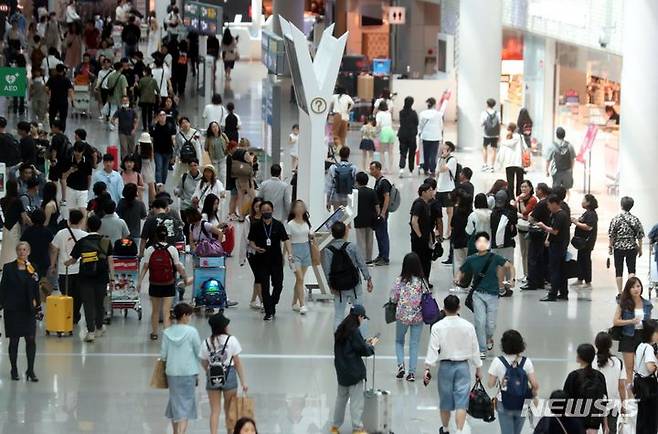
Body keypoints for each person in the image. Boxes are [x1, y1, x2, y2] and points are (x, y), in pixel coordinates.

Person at [423, 295, 482, 434]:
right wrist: (478, 368)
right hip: (463, 367)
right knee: (462, 402)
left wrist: (427, 368)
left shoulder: (438, 327)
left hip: (445, 367)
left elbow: (433, 349)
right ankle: (460, 431)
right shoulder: (468, 326)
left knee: (445, 401)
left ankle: (445, 429)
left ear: (443, 309)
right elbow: (475, 348)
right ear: (459, 307)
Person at [455, 232, 514, 358]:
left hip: (493, 294)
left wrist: (512, 279)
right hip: (478, 294)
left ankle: (489, 338)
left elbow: (509, 266)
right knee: (480, 321)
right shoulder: (471, 259)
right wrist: (457, 278)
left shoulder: (495, 257)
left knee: (490, 325)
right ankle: (482, 349)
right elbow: (462, 270)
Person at [330, 304, 377, 434]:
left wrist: (363, 342)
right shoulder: (354, 331)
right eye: (363, 318)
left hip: (342, 371)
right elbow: (362, 349)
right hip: (354, 372)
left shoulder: (341, 328)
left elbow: (352, 346)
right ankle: (357, 428)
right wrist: (371, 347)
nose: (362, 321)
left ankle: (335, 426)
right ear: (359, 316)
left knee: (340, 400)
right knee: (356, 402)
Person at [66, 215, 114, 342]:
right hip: (102, 277)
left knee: (88, 304)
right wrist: (112, 278)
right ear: (99, 227)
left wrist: (67, 263)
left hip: (85, 278)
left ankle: (91, 331)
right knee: (99, 304)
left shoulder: (82, 242)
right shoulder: (106, 241)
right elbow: (110, 261)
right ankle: (99, 327)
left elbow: (74, 259)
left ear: (87, 226)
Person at [200, 313, 248, 434]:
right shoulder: (231, 340)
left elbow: (204, 362)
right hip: (229, 375)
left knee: (215, 411)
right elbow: (237, 362)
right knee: (229, 410)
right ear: (224, 327)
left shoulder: (206, 342)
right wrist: (243, 382)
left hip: (213, 376)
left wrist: (208, 372)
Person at [139, 225, 189, 340]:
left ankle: (154, 333)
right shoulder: (172, 249)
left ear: (156, 235)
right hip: (168, 283)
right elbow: (178, 266)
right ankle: (167, 334)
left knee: (155, 311)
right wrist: (185, 277)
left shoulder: (150, 249)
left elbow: (145, 267)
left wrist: (139, 281)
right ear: (167, 235)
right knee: (166, 312)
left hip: (154, 284)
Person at [0, 242, 41, 382]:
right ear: (16, 251)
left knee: (31, 339)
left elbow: (36, 289)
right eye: (19, 249)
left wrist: (38, 307)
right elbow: (3, 288)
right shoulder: (8, 268)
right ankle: (14, 369)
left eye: (24, 250)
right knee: (14, 340)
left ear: (28, 251)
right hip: (13, 309)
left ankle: (30, 370)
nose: (22, 252)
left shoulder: (33, 268)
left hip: (28, 309)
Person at [247, 201, 293, 321]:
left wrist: (289, 253)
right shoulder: (256, 225)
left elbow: (286, 239)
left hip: (276, 260)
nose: (266, 212)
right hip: (261, 260)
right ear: (260, 211)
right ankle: (269, 311)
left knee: (278, 285)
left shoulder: (278, 225)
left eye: (268, 209)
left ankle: (273, 302)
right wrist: (256, 248)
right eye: (264, 210)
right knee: (265, 286)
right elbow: (251, 241)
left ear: (272, 210)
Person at [486, 330, 539, 434]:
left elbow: (490, 384)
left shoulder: (498, 361)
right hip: (522, 404)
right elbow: (535, 385)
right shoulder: (526, 362)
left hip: (504, 403)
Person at [322, 222, 373, 330]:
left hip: (338, 287)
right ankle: (361, 340)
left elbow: (327, 271)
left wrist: (331, 286)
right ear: (345, 232)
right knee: (360, 314)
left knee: (338, 315)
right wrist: (368, 279)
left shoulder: (327, 250)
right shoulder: (352, 247)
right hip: (354, 285)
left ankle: (339, 340)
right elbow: (361, 263)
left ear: (332, 233)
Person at [160, 303, 201, 434]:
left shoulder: (167, 332)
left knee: (175, 402)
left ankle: (176, 431)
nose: (190, 318)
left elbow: (163, 355)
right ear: (184, 316)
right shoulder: (192, 332)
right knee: (186, 404)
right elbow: (198, 352)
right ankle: (182, 432)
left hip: (172, 372)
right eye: (189, 315)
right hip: (189, 372)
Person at [390, 253, 425, 382]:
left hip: (402, 316)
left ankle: (400, 366)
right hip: (417, 316)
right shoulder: (422, 282)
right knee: (414, 344)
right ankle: (411, 373)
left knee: (399, 341)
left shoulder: (399, 280)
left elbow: (394, 298)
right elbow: (426, 297)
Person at [49, 209, 87, 324]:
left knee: (66, 294)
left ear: (69, 220)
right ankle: (75, 315)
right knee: (78, 295)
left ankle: (68, 315)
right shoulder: (85, 235)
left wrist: (52, 266)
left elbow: (54, 250)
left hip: (64, 270)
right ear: (81, 221)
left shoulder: (61, 233)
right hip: (80, 270)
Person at [612, 277, 653, 382]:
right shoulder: (623, 304)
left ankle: (642, 393)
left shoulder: (647, 304)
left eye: (638, 286)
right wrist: (630, 321)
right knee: (629, 370)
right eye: (633, 287)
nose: (636, 289)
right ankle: (630, 396)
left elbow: (650, 323)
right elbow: (615, 321)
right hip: (628, 337)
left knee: (644, 368)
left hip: (643, 337)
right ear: (628, 289)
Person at [563, 343, 608, 433]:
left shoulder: (573, 376)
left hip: (576, 422)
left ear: (579, 357)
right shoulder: (599, 376)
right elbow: (603, 401)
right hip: (594, 422)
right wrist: (605, 425)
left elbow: (565, 402)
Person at [536, 195, 570, 301]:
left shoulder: (560, 215)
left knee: (555, 270)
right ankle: (563, 293)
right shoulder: (556, 215)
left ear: (555, 203)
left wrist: (543, 226)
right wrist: (548, 239)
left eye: (549, 204)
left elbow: (555, 231)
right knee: (561, 270)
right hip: (558, 245)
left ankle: (553, 293)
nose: (548, 207)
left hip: (558, 246)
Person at [609, 196, 645, 294]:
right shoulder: (635, 219)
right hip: (632, 247)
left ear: (621, 206)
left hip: (618, 248)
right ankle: (630, 292)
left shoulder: (616, 219)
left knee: (619, 270)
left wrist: (610, 246)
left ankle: (620, 293)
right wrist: (640, 249)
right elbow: (640, 235)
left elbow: (612, 235)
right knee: (631, 270)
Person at [593, 331, 626, 434]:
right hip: (613, 404)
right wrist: (623, 404)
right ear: (610, 344)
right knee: (611, 430)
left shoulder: (592, 360)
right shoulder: (618, 362)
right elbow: (621, 386)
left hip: (594, 404)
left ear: (596, 344)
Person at [286, 200, 313, 315]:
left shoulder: (307, 222)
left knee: (299, 280)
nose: (300, 209)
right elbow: (287, 240)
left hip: (306, 250)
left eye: (302, 206)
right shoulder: (290, 224)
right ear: (293, 209)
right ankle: (302, 304)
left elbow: (309, 236)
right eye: (297, 207)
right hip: (295, 251)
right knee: (300, 278)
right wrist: (289, 254)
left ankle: (294, 302)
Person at [571, 194, 598, 297]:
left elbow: (588, 227)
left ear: (588, 203)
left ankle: (588, 282)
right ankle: (580, 279)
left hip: (587, 242)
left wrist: (576, 223)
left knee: (586, 260)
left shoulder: (592, 214)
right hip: (581, 242)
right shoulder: (586, 213)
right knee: (580, 259)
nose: (582, 202)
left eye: (584, 200)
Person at [634, 319, 658, 434]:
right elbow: (650, 367)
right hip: (649, 385)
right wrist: (656, 365)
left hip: (639, 383)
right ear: (651, 333)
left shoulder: (640, 346)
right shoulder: (649, 348)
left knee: (642, 414)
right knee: (651, 415)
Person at [0, 180, 31, 268]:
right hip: (15, 227)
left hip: (6, 227)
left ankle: (4, 265)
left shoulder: (2, 200)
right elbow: (24, 217)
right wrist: (33, 224)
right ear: (15, 188)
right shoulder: (18, 201)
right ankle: (14, 266)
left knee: (6, 247)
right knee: (15, 247)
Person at [490, 190, 517, 289]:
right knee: (508, 265)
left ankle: (499, 286)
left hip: (495, 244)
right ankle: (508, 285)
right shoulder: (511, 212)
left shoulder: (493, 212)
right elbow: (514, 227)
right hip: (508, 243)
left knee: (497, 266)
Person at [20, 210, 54, 286]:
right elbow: (52, 247)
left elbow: (22, 244)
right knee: (42, 282)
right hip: (44, 260)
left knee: (31, 281)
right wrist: (52, 263)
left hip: (31, 260)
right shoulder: (47, 231)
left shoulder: (28, 231)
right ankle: (41, 296)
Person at [241, 198, 263, 310]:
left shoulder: (267, 219)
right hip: (252, 252)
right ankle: (263, 301)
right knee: (259, 276)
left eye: (260, 206)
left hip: (264, 252)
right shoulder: (248, 219)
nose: (258, 209)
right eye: (256, 206)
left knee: (259, 276)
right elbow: (246, 236)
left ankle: (254, 300)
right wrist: (255, 246)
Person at [60, 141, 93, 216]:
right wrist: (70, 171)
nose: (77, 153)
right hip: (71, 188)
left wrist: (87, 190)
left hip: (83, 190)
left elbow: (89, 177)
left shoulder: (87, 162)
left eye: (79, 151)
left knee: (83, 211)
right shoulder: (68, 160)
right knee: (71, 211)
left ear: (83, 151)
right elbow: (63, 176)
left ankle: (82, 227)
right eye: (76, 151)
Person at [410, 183, 434, 281]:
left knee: (426, 261)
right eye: (430, 190)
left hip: (425, 237)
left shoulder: (426, 204)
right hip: (419, 240)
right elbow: (414, 221)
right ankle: (420, 281)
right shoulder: (419, 204)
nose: (432, 192)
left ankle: (425, 281)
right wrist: (420, 236)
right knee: (421, 261)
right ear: (423, 192)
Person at [369, 161, 391, 266]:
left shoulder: (384, 182)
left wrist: (383, 213)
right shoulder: (377, 182)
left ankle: (385, 257)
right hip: (377, 212)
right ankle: (381, 254)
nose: (371, 171)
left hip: (382, 212)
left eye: (373, 169)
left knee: (382, 234)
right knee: (378, 234)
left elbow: (387, 197)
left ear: (378, 169)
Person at [353, 172, 378, 264]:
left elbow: (352, 206)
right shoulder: (372, 191)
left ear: (357, 181)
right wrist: (377, 216)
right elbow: (377, 206)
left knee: (360, 240)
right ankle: (369, 258)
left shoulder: (355, 192)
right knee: (369, 239)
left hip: (358, 219)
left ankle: (361, 258)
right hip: (370, 219)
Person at [515, 180, 537, 282]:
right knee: (523, 252)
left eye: (525, 187)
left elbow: (525, 212)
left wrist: (521, 201)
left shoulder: (533, 200)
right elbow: (514, 209)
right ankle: (525, 273)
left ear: (530, 188)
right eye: (522, 187)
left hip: (529, 228)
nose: (523, 189)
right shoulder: (519, 198)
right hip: (521, 227)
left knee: (528, 252)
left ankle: (529, 274)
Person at [418, 97, 447, 176]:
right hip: (435, 136)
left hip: (425, 136)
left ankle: (425, 169)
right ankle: (433, 170)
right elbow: (441, 126)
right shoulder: (438, 114)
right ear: (434, 104)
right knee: (433, 154)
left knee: (426, 153)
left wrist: (420, 132)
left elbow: (420, 125)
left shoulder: (422, 113)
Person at [436, 141, 458, 238]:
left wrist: (443, 158)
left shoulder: (452, 160)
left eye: (445, 148)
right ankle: (438, 231)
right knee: (437, 211)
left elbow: (443, 169)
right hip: (440, 188)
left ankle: (448, 232)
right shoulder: (440, 159)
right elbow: (437, 171)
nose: (442, 149)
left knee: (450, 211)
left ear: (449, 150)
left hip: (449, 188)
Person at [546, 127, 576, 193]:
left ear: (556, 135)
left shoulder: (552, 146)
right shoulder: (569, 145)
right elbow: (573, 159)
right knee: (567, 189)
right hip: (567, 171)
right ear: (564, 135)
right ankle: (566, 202)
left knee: (556, 190)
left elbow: (548, 159)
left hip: (556, 171)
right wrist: (571, 169)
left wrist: (547, 170)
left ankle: (557, 202)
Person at [326, 147, 356, 212]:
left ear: (339, 155)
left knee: (337, 219)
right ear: (348, 155)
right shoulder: (353, 168)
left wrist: (328, 201)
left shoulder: (333, 167)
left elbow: (329, 186)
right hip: (349, 197)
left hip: (336, 197)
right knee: (347, 219)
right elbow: (356, 184)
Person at [498, 122, 525, 196]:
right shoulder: (520, 137)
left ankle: (511, 199)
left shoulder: (504, 139)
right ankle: (519, 198)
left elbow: (502, 151)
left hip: (509, 163)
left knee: (510, 183)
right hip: (518, 163)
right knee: (520, 182)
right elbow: (525, 148)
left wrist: (500, 162)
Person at [150, 110, 177, 185]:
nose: (162, 117)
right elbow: (151, 140)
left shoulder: (170, 126)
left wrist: (175, 152)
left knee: (165, 169)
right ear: (158, 117)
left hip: (168, 151)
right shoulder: (154, 127)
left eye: (164, 115)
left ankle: (163, 183)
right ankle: (159, 184)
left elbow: (173, 139)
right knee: (159, 167)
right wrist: (151, 152)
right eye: (160, 115)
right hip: (157, 151)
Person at [451, 189, 473, 277]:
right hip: (468, 241)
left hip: (458, 240)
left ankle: (458, 281)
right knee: (468, 262)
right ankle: (467, 283)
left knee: (458, 262)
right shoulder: (471, 213)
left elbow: (452, 225)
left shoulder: (457, 212)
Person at [46, 63, 75, 132]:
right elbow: (70, 90)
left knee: (52, 117)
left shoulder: (52, 78)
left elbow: (46, 88)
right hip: (63, 102)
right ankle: (61, 131)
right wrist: (72, 100)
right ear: (63, 70)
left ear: (56, 70)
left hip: (53, 101)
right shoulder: (66, 80)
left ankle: (53, 130)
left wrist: (49, 95)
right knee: (63, 118)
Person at [397, 96, 418, 177]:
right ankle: (411, 170)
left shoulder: (401, 112)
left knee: (403, 152)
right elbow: (416, 123)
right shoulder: (413, 113)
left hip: (402, 134)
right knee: (412, 153)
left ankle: (401, 169)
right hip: (412, 135)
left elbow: (401, 122)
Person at [480, 98, 501, 172]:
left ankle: (485, 165)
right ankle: (492, 166)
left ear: (487, 104)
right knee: (494, 150)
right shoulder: (498, 113)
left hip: (486, 134)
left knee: (485, 148)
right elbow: (499, 124)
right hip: (495, 134)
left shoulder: (484, 113)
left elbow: (481, 123)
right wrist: (499, 134)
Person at [375, 101, 395, 173]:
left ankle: (383, 168)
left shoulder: (379, 114)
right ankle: (391, 169)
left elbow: (378, 124)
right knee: (390, 152)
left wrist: (376, 132)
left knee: (382, 152)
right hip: (391, 131)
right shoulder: (389, 113)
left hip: (383, 131)